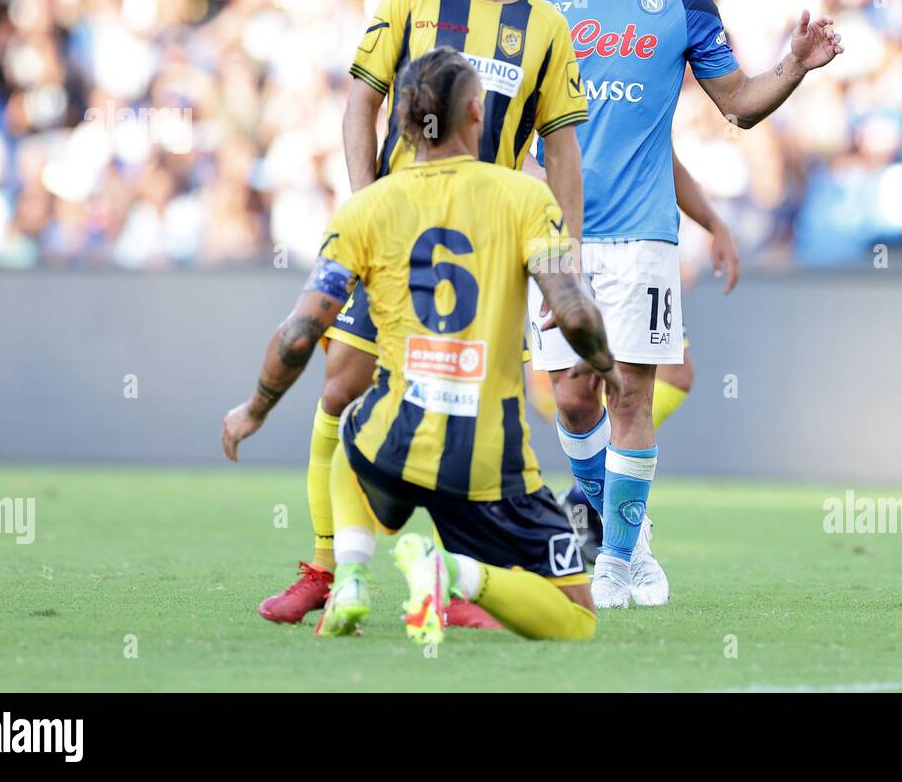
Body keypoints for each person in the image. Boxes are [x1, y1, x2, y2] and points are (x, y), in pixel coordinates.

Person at [257, 0, 588, 628]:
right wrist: (365, 204)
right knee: (340, 389)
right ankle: (326, 568)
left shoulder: (545, 27)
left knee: (468, 412)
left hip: (490, 255)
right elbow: (357, 107)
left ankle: (449, 579)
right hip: (400, 241)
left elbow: (563, 149)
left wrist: (564, 262)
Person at [522, 0, 844, 608]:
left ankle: (620, 558)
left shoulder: (683, 2)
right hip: (557, 234)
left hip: (642, 236)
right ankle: (625, 527)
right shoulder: (538, 2)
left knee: (631, 394)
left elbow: (736, 103)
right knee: (572, 398)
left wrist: (793, 67)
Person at [223, 47, 616, 644]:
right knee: (577, 618)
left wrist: (254, 409)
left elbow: (301, 332)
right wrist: (604, 360)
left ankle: (350, 574)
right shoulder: (525, 198)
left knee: (350, 425)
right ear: (475, 116)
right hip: (491, 462)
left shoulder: (364, 210)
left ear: (401, 122)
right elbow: (574, 308)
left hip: (395, 442)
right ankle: (453, 572)